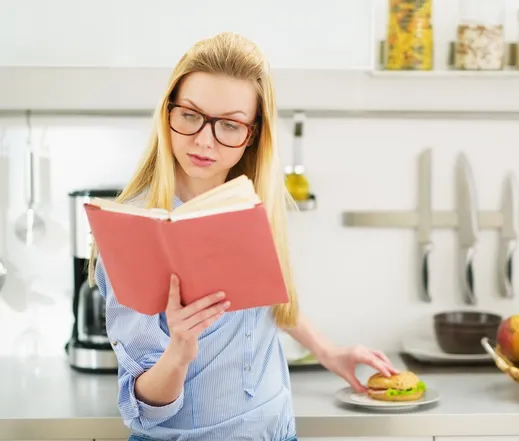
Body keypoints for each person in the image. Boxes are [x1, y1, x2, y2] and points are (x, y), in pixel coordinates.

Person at [88, 32, 398, 441]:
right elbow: (143, 410)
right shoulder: (133, 230)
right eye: (190, 115)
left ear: (251, 134)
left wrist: (327, 351)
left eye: (229, 125)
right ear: (167, 113)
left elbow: (265, 297)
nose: (203, 140)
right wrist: (179, 350)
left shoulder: (251, 200)